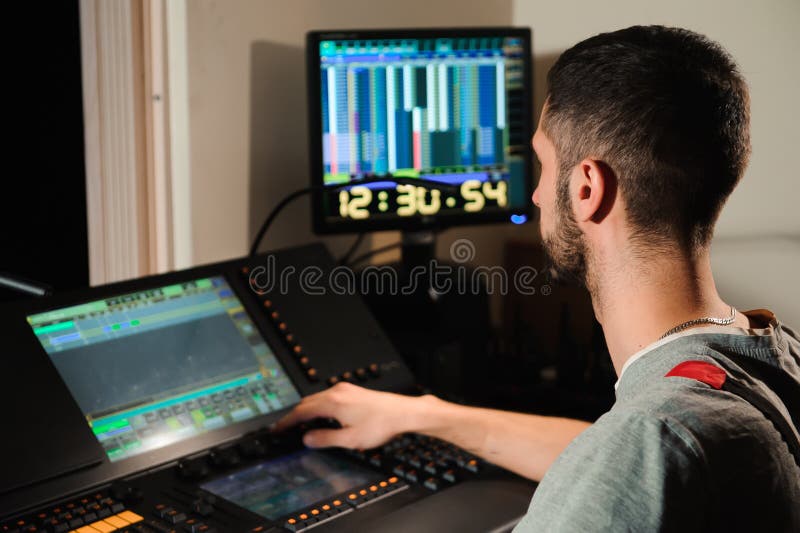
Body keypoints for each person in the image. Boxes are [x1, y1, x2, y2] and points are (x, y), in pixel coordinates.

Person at [275, 25, 800, 530]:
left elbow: (632, 455)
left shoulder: (652, 439)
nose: (535, 195)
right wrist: (423, 415)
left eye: (543, 166)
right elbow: (605, 453)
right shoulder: (767, 354)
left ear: (588, 188)